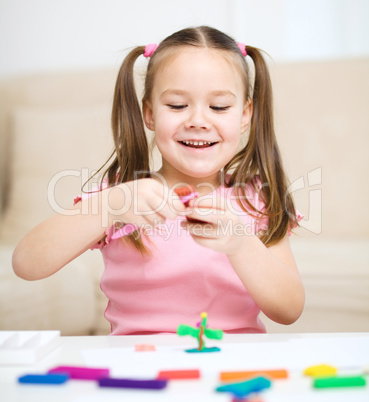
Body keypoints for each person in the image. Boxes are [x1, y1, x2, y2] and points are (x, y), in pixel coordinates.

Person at [13, 26, 305, 335]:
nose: (198, 121)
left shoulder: (256, 198)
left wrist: (242, 244)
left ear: (245, 115)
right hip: (139, 368)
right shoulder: (123, 197)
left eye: (219, 107)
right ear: (150, 114)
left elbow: (289, 310)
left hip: (232, 371)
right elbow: (27, 264)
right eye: (177, 105)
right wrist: (108, 206)